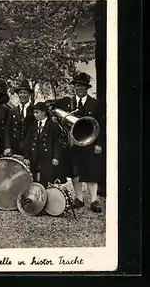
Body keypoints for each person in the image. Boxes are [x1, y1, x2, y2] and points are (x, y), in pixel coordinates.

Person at [53, 72, 104, 213]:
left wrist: (99, 144)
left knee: (91, 172)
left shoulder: (95, 104)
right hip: (73, 143)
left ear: (87, 88)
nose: (79, 88)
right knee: (75, 172)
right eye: (77, 85)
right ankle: (79, 199)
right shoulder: (68, 103)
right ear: (74, 87)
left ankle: (94, 200)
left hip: (90, 142)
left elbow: (101, 125)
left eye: (82, 86)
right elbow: (55, 113)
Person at [23, 102, 63, 188]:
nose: (35, 115)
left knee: (47, 180)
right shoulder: (33, 125)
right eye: (34, 112)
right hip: (34, 157)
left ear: (44, 112)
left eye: (37, 112)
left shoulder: (52, 125)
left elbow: (57, 142)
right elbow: (28, 142)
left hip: (47, 158)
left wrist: (56, 157)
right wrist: (26, 156)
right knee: (34, 180)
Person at [3, 79, 35, 157]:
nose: (22, 95)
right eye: (20, 93)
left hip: (30, 149)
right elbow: (7, 130)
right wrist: (7, 146)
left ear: (29, 94)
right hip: (14, 149)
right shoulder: (12, 111)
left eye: (25, 93)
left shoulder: (34, 110)